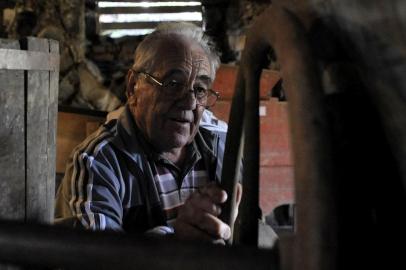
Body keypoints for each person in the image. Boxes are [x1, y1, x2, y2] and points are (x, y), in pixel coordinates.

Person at [55, 22, 242, 243]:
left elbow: (255, 234)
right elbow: (99, 260)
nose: (190, 102)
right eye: (173, 84)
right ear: (134, 86)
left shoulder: (221, 148)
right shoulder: (98, 161)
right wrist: (176, 244)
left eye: (200, 89)